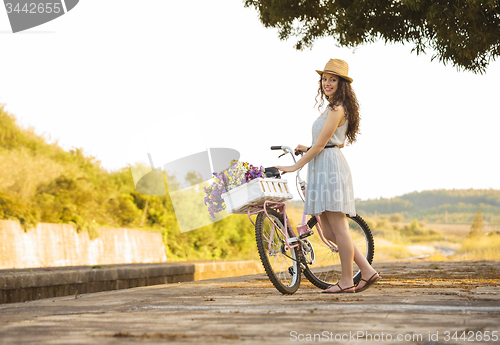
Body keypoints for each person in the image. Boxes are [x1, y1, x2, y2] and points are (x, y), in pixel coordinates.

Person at [275, 59, 379, 294]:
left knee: (339, 226)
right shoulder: (331, 107)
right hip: (323, 165)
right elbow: (330, 142)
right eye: (325, 79)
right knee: (330, 230)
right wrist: (307, 146)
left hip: (330, 168)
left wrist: (294, 166)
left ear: (342, 83)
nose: (327, 83)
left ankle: (346, 282)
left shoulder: (337, 108)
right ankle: (367, 270)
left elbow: (323, 145)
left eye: (333, 79)